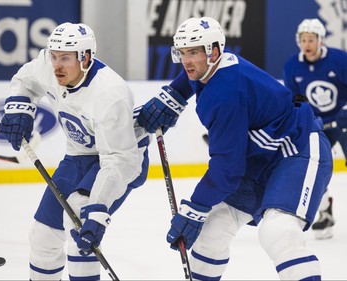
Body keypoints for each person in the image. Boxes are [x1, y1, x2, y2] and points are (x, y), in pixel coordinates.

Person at [137, 17, 333, 280]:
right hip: (258, 159)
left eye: (193, 52)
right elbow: (190, 74)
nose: (186, 61)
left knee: (278, 231)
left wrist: (196, 207)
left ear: (214, 51)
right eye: (182, 52)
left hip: (296, 150)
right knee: (211, 233)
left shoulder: (225, 93)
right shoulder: (214, 64)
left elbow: (227, 169)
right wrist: (174, 95)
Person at [0, 22, 150, 280]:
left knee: (79, 220)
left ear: (86, 57)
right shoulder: (49, 66)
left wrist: (98, 210)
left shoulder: (109, 93)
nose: (57, 64)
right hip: (77, 156)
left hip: (121, 159)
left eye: (65, 58)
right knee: (43, 235)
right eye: (54, 56)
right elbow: (24, 80)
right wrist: (19, 108)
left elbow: (118, 161)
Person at [283, 18, 347, 239]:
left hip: (345, 119)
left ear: (320, 40)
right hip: (318, 125)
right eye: (303, 40)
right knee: (311, 168)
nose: (307, 44)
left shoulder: (339, 59)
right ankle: (324, 212)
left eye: (311, 39)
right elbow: (296, 101)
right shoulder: (292, 66)